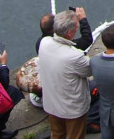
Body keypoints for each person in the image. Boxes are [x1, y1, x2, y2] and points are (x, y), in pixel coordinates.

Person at [39, 11, 93, 139]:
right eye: (76, 26)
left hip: (52, 104)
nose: (77, 27)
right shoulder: (74, 56)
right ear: (69, 33)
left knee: (57, 135)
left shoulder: (44, 43)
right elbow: (89, 70)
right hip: (72, 110)